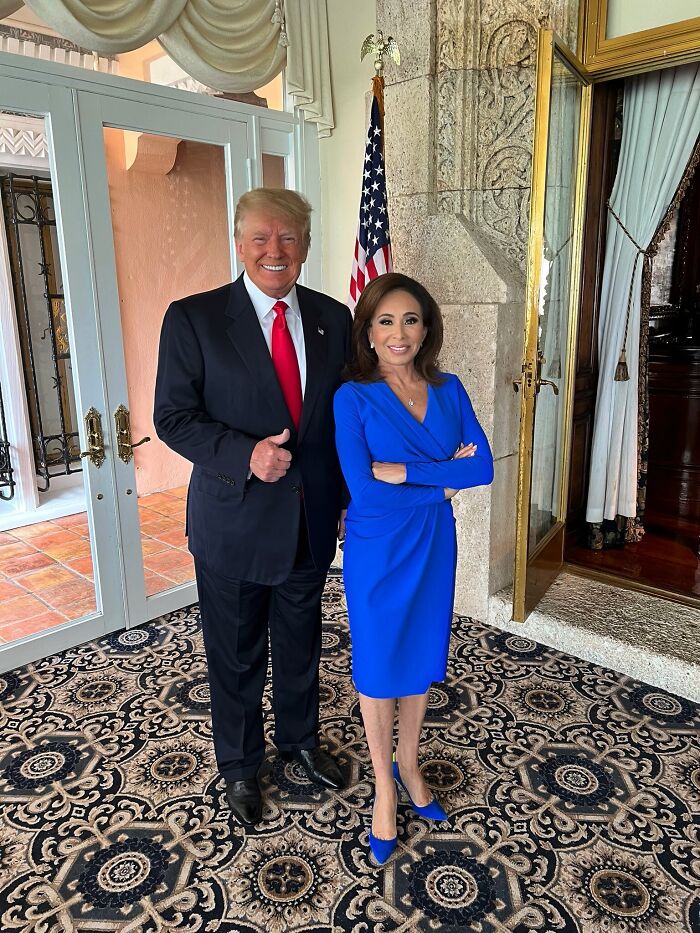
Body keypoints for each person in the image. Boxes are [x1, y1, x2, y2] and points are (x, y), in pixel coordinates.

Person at [154, 188, 352, 826]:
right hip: (234, 522)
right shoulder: (194, 319)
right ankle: (239, 766)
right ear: (239, 244)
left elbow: (339, 421)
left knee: (300, 643)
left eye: (289, 238)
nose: (276, 250)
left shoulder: (334, 317)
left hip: (309, 520)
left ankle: (298, 741)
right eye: (261, 238)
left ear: (305, 246)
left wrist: (346, 498)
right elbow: (173, 417)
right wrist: (245, 455)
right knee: (236, 653)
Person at [333, 272, 494, 864]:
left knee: (420, 656)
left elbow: (483, 470)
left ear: (427, 329)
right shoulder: (351, 397)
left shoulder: (450, 390)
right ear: (368, 332)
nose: (399, 333)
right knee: (378, 664)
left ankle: (409, 763)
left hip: (431, 546)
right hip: (377, 549)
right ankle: (382, 783)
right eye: (385, 321)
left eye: (411, 320)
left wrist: (405, 471)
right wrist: (441, 482)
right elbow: (363, 491)